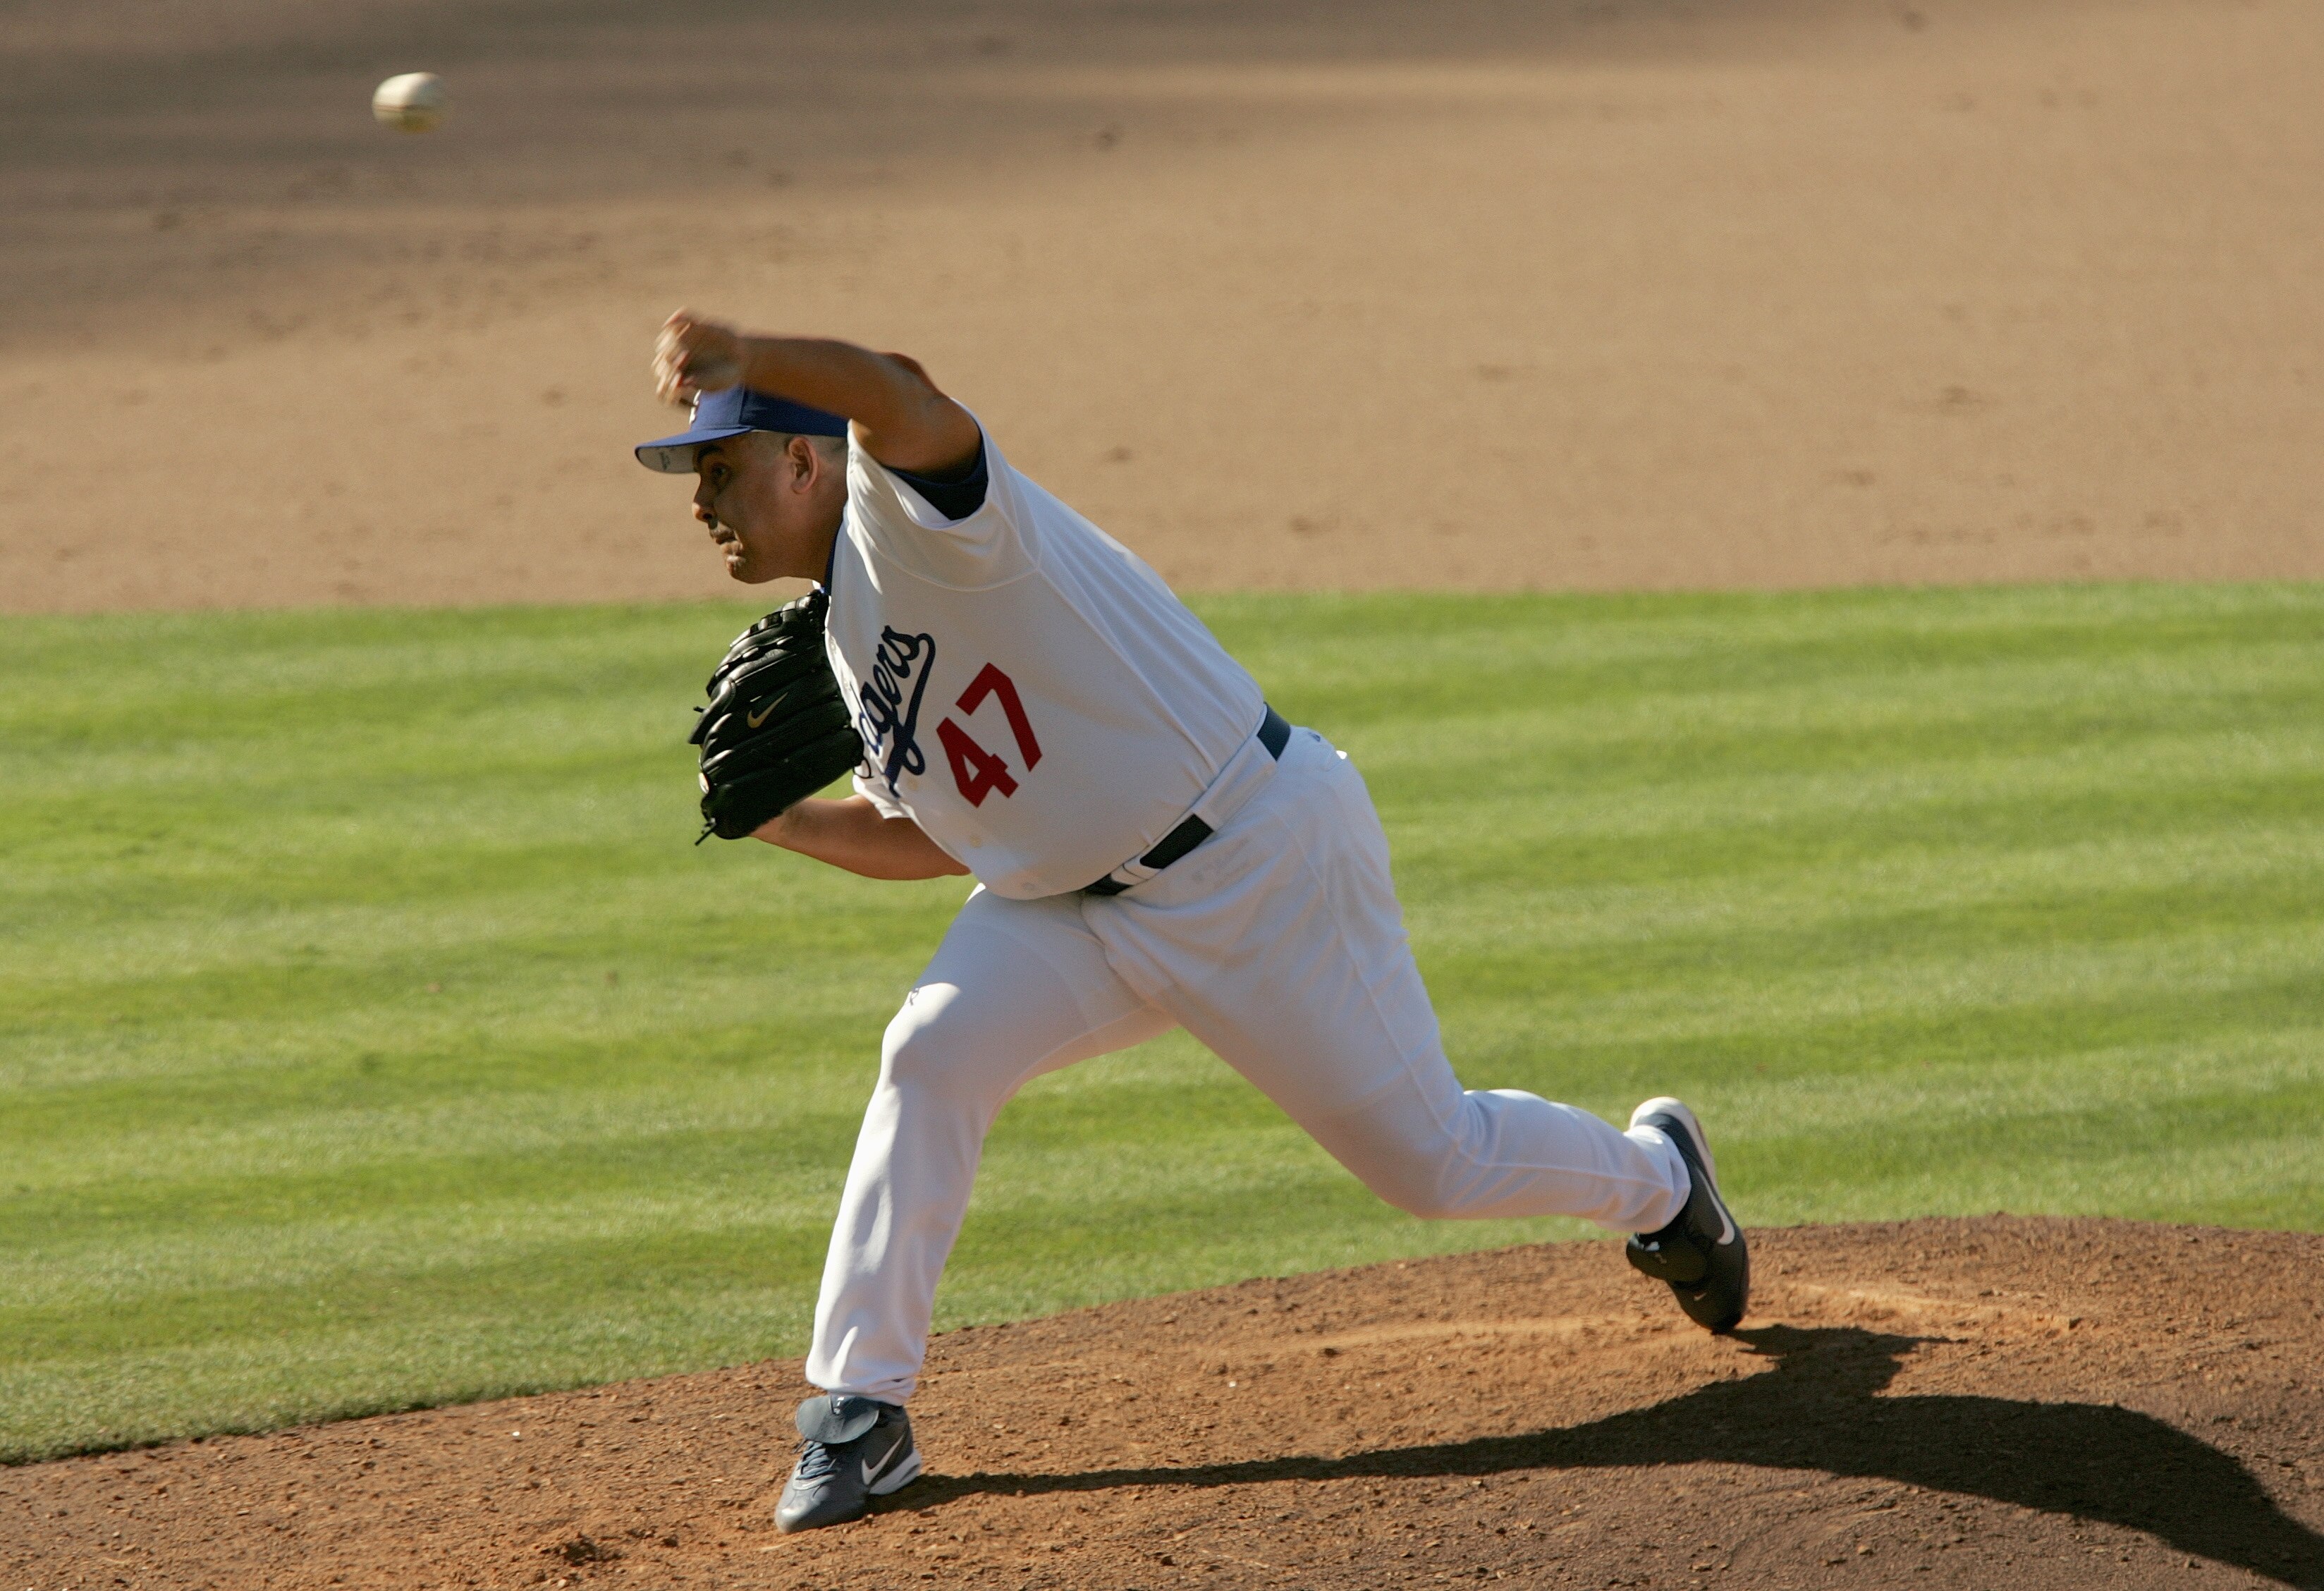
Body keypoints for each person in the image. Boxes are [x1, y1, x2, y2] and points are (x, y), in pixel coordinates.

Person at [634, 311, 1748, 1534]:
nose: (702, 497)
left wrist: (752, 352)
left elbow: (900, 391)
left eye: (721, 464)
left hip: (1256, 859)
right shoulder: (841, 643)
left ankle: (1660, 1183)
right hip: (1068, 908)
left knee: (1436, 1162)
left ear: (805, 459)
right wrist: (787, 823)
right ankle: (859, 1412)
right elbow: (943, 838)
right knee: (931, 1052)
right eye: (695, 472)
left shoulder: (923, 515)